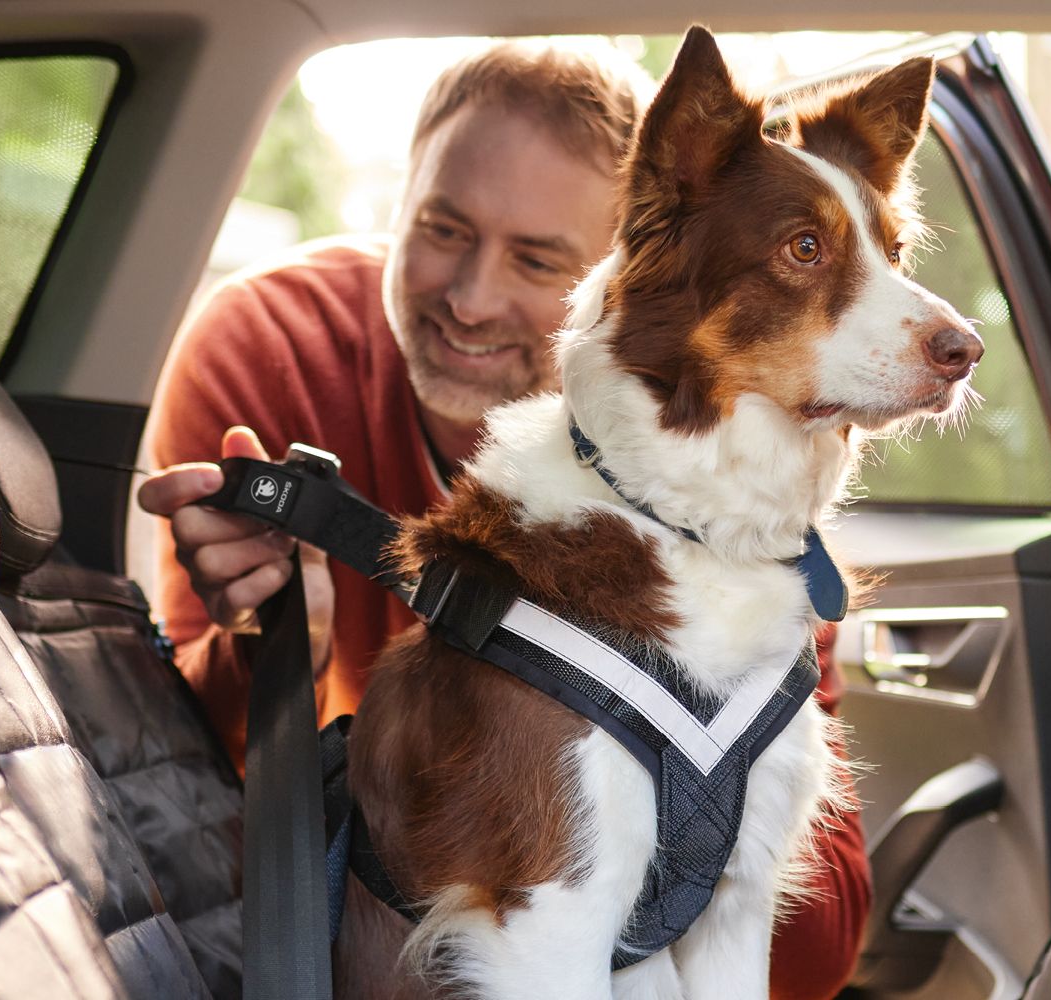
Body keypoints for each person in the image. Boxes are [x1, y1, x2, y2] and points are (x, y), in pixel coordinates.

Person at [131, 41, 870, 998]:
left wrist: (705, 790)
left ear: (640, 268)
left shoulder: (731, 488)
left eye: (535, 259)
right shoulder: (269, 343)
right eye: (443, 229)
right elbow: (195, 804)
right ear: (398, 207)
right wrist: (273, 646)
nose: (471, 299)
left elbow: (817, 945)